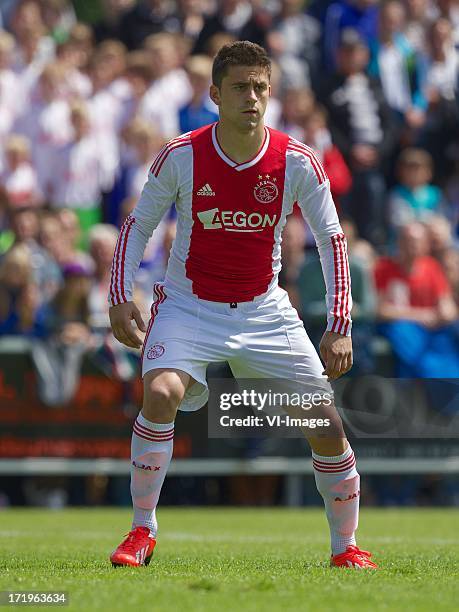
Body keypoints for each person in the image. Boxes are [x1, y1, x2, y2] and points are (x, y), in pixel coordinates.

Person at [108, 41, 377, 570]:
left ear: (270, 92)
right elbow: (138, 225)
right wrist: (119, 297)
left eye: (260, 87)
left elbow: (331, 239)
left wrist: (340, 322)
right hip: (188, 304)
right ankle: (141, 531)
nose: (251, 97)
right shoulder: (181, 154)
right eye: (239, 87)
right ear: (214, 95)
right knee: (161, 392)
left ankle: (346, 547)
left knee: (325, 424)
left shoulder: (296, 160)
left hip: (262, 308)